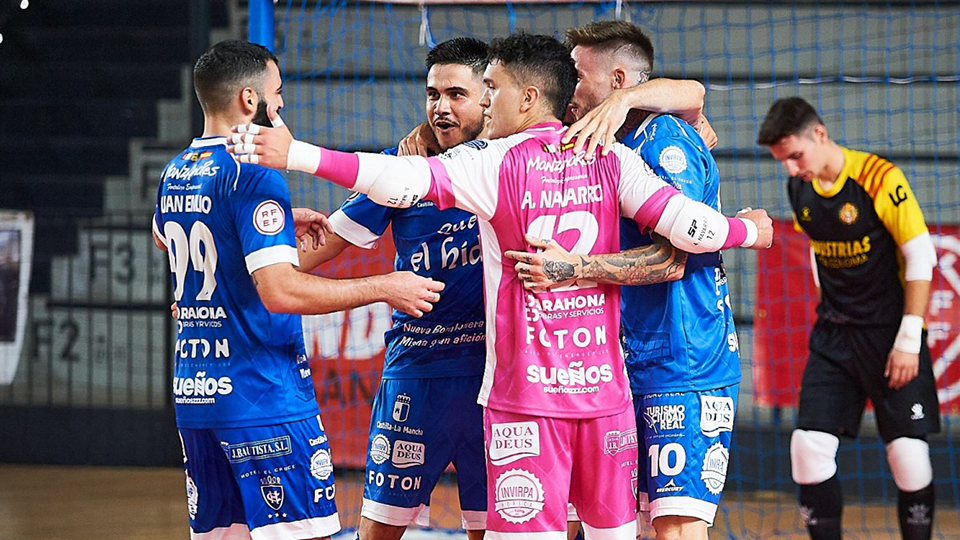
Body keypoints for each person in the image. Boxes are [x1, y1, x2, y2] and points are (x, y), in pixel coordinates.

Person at [228, 32, 773, 540]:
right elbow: (693, 228)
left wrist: (297, 155)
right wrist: (752, 229)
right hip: (599, 398)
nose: (483, 102)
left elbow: (400, 179)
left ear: (529, 96)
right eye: (444, 93)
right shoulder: (612, 158)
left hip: (523, 399)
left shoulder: (493, 161)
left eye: (487, 89)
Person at [152, 39, 443, 540]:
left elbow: (167, 240)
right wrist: (384, 286)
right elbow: (281, 293)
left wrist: (273, 228)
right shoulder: (254, 171)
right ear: (249, 100)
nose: (281, 103)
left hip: (198, 398)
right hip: (264, 397)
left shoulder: (176, 169)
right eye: (277, 92)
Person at [507, 21, 743, 540]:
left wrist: (571, 268)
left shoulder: (664, 138)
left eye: (577, 74)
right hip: (617, 362)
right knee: (611, 523)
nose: (568, 87)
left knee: (676, 527)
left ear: (618, 81)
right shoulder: (600, 143)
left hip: (681, 363)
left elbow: (671, 260)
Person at [295, 37, 492, 540]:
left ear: (488, 96)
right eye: (432, 95)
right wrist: (225, 282)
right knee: (377, 534)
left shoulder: (515, 166)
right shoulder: (401, 170)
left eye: (456, 94)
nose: (441, 107)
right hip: (416, 379)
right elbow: (315, 250)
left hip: (496, 384)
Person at [757, 96, 940, 540]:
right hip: (834, 337)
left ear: (819, 134)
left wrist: (908, 340)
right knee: (807, 448)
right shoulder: (799, 187)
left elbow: (920, 256)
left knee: (908, 457)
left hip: (892, 337)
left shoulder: (880, 178)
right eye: (783, 161)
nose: (792, 169)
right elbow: (821, 252)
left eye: (796, 156)